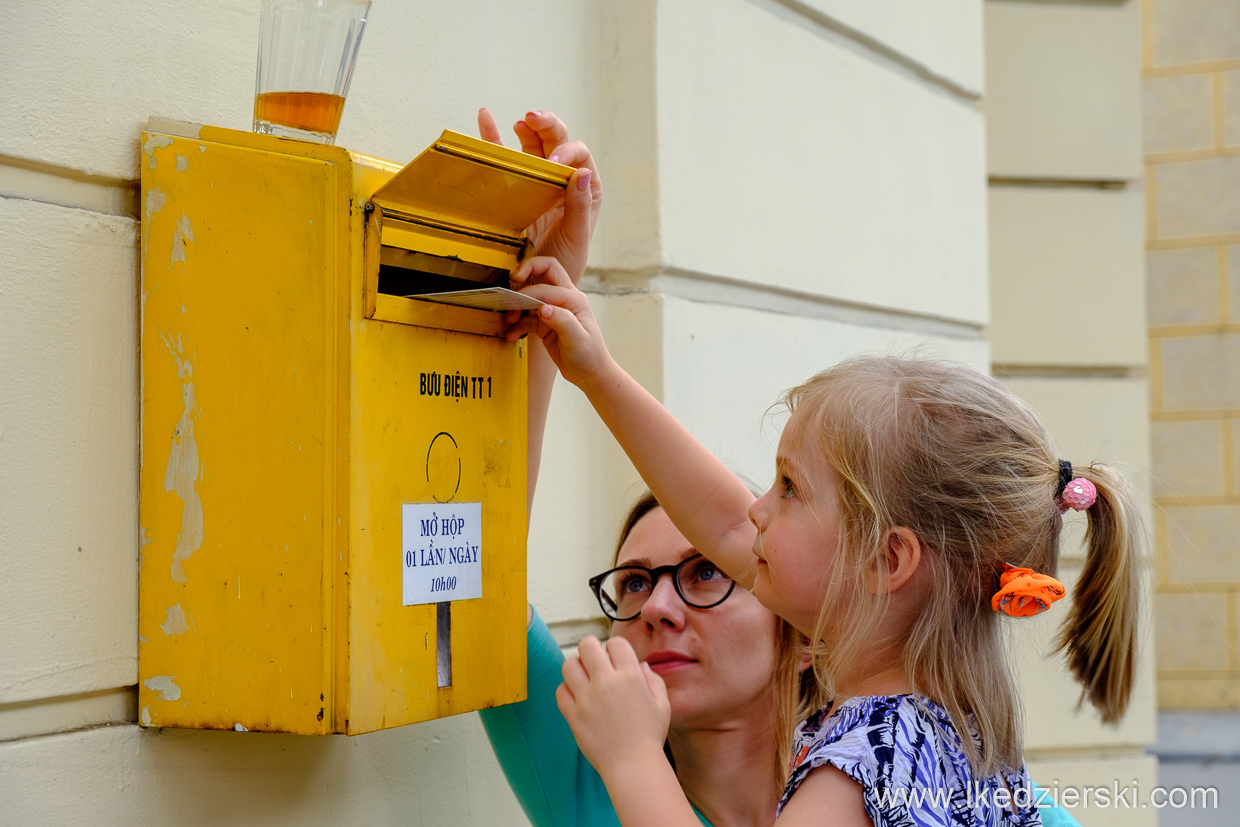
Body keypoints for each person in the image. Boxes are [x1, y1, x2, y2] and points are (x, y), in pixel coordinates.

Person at [505, 257, 1140, 826]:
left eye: (788, 487)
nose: (754, 510)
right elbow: (726, 524)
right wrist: (598, 374)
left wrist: (633, 758)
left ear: (885, 559)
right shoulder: (971, 743)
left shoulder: (855, 774)